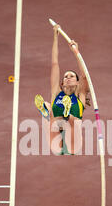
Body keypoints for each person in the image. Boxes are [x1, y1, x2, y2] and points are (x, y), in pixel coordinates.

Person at [35, 24, 89, 155]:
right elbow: (55, 63)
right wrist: (55, 37)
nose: (68, 77)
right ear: (62, 82)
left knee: (72, 120)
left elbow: (84, 76)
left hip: (73, 145)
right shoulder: (56, 93)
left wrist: (76, 52)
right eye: (66, 76)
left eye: (71, 76)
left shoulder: (80, 95)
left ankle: (61, 115)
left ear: (77, 82)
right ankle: (49, 114)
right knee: (51, 111)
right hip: (56, 144)